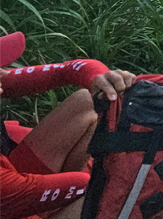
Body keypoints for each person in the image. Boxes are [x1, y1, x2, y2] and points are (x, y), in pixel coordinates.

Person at [0, 32, 136, 219]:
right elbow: (82, 183)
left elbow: (69, 69)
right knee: (115, 191)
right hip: (11, 199)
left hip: (14, 179)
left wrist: (103, 80)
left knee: (89, 100)